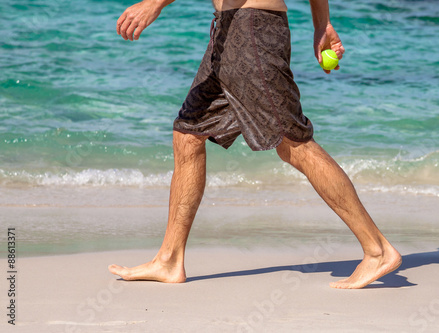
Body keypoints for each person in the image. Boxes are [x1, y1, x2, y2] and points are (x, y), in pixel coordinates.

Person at [108, 0, 402, 289]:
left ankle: (377, 250)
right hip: (229, 30)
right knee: (188, 134)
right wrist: (321, 24)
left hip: (252, 33)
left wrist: (155, 3)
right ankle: (169, 260)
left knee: (293, 143)